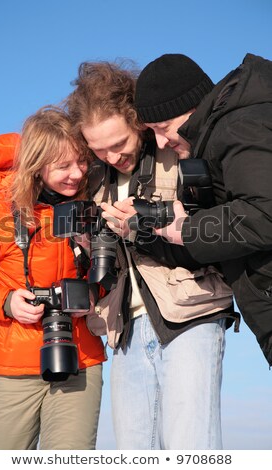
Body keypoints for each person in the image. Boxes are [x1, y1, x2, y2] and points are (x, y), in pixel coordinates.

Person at [65, 61, 240, 450]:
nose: (111, 157)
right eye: (98, 150)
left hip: (191, 315)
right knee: (135, 452)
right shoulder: (93, 178)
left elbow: (216, 239)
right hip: (124, 327)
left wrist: (143, 230)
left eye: (118, 144)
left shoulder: (180, 152)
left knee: (190, 447)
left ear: (139, 122)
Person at [0, 106, 106, 450]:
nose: (77, 174)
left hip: (80, 360)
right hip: (9, 369)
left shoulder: (93, 204)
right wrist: (5, 302)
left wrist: (95, 294)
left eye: (81, 161)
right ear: (35, 165)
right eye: (63, 166)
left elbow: (112, 271)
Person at [134, 52, 272, 368]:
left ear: (192, 108)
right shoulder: (226, 133)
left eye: (163, 126)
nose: (160, 141)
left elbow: (265, 214)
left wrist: (186, 229)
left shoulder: (240, 127)